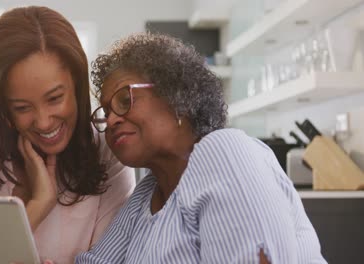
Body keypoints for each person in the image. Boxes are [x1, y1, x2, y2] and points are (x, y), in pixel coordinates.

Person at [76, 33, 327, 263]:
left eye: (124, 100)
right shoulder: (146, 194)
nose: (110, 120)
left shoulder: (225, 152)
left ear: (178, 97)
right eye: (105, 112)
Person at [0, 6, 135, 264]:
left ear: (77, 87)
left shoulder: (107, 152)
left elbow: (114, 259)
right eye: (22, 107)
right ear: (2, 108)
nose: (44, 122)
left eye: (55, 98)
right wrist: (34, 209)